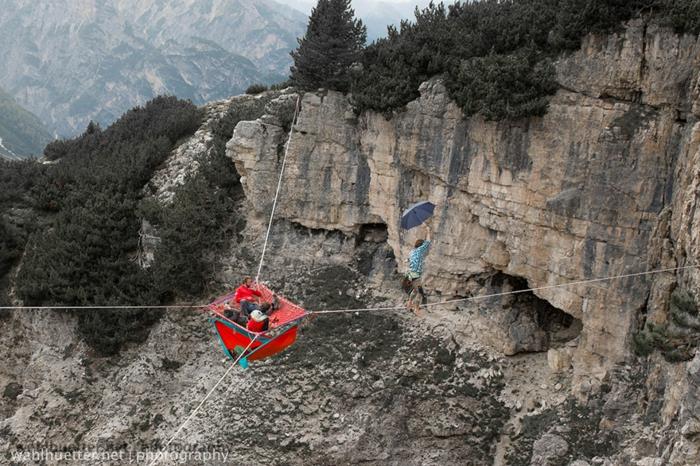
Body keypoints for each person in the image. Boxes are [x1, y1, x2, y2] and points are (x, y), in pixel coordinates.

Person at [404, 222, 431, 316]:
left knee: (415, 290)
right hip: (415, 275)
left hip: (410, 274)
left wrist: (406, 261)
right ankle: (416, 309)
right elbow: (427, 243)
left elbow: (408, 259)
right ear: (420, 246)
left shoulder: (412, 252)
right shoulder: (419, 251)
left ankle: (409, 303)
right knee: (419, 293)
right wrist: (428, 230)